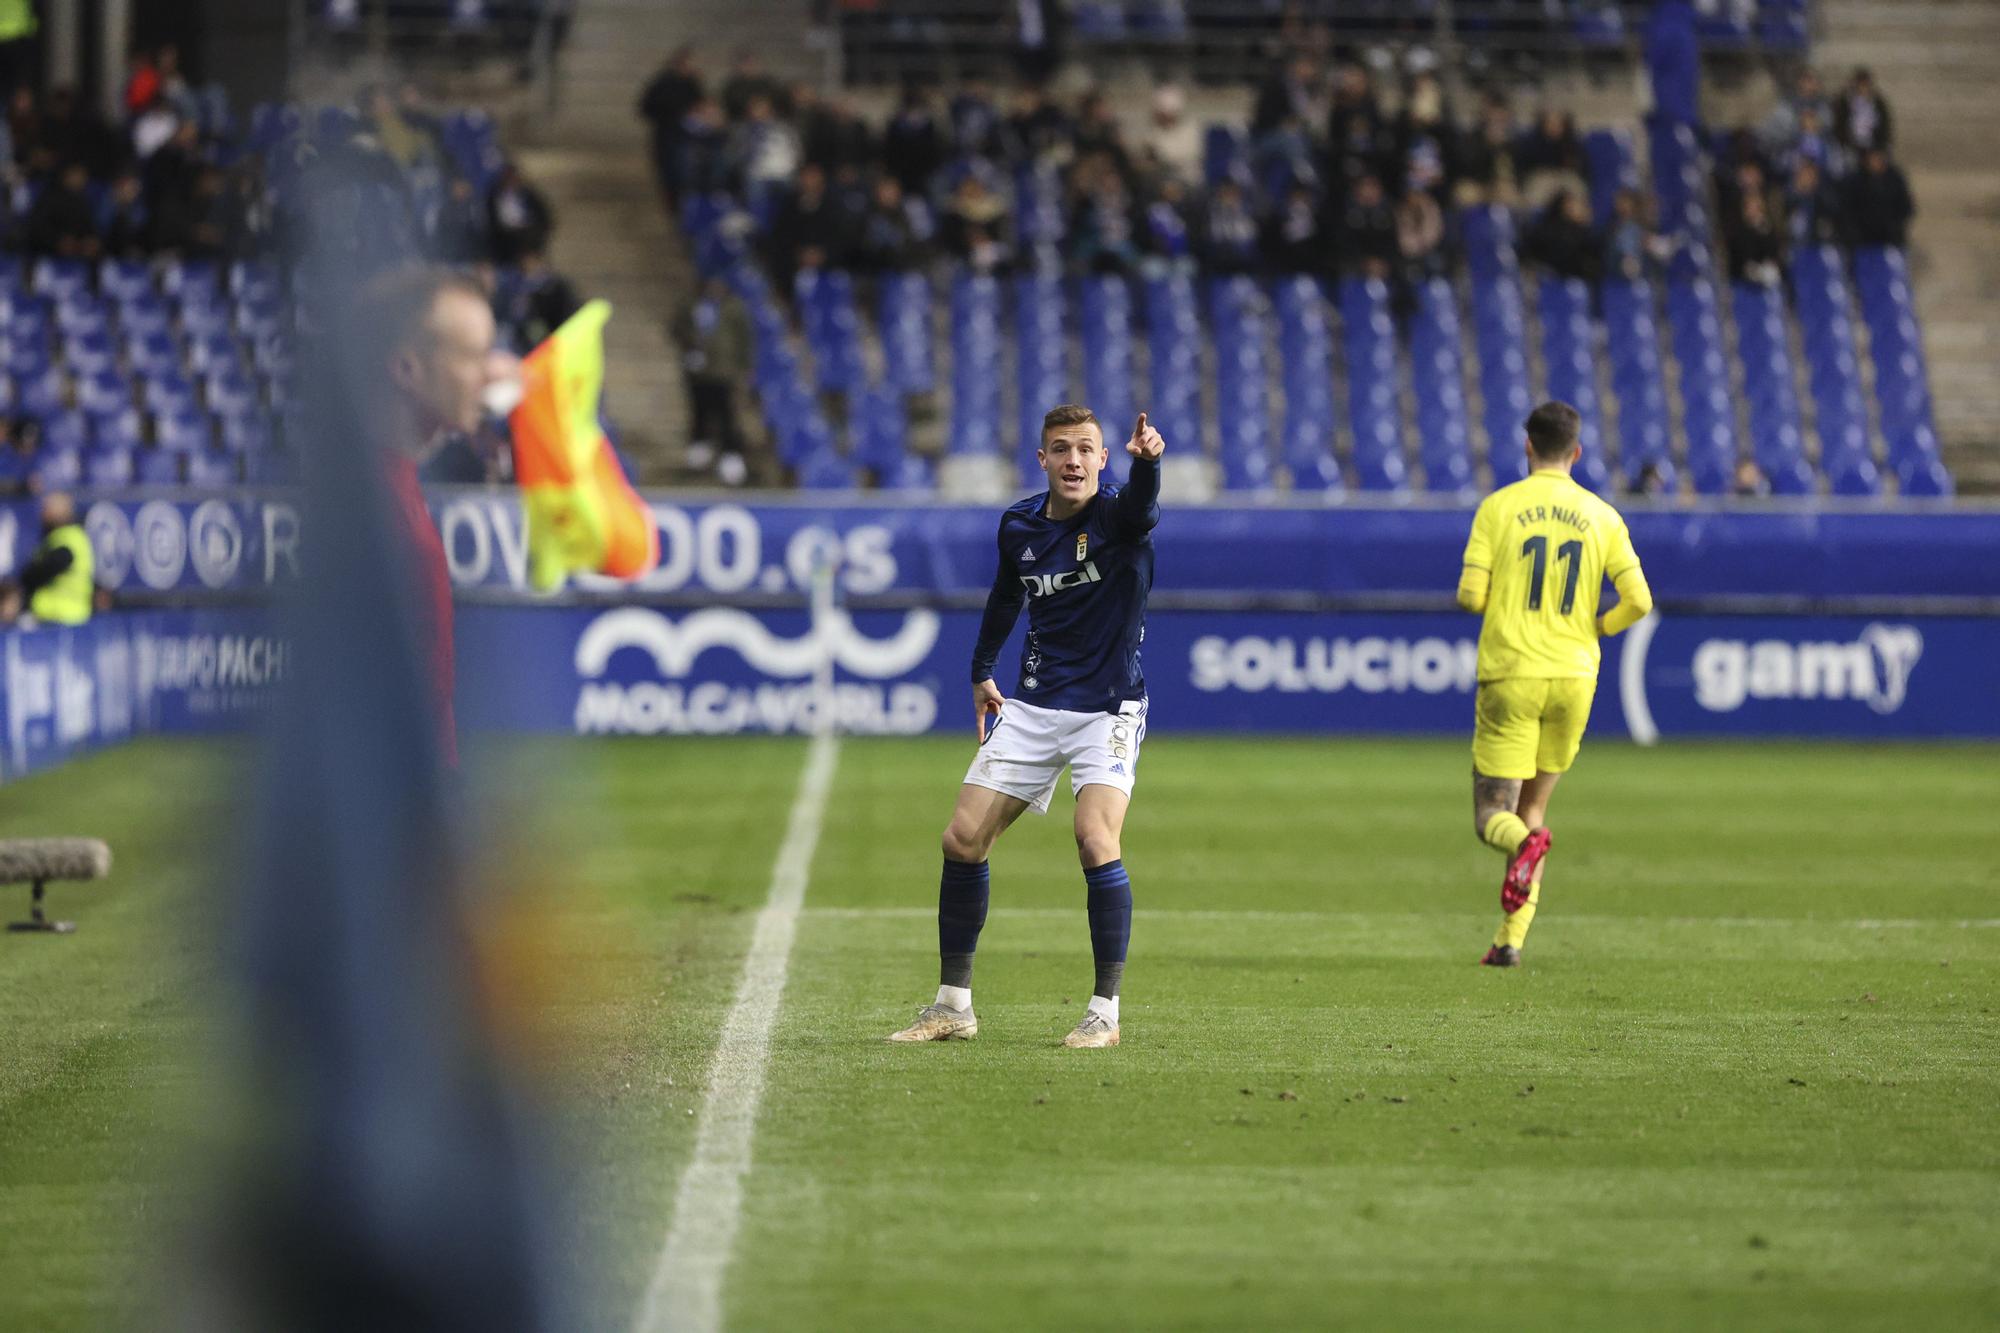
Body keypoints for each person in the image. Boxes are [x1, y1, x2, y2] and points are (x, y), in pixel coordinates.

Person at [888, 405, 1165, 1049]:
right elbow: (1006, 595)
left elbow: (1143, 511)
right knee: (961, 839)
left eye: (1086, 450)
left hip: (1109, 708)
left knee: (1095, 839)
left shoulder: (1119, 517)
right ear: (1042, 460)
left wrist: (1148, 464)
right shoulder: (1018, 525)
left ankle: (1104, 1012)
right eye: (1061, 449)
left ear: (1103, 459)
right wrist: (983, 669)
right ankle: (953, 1006)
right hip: (1034, 707)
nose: (1074, 460)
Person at [1455, 402, 1653, 967]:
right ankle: (1509, 941)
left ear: (1527, 447)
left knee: (1495, 815)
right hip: (1575, 675)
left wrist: (1508, 609)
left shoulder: (1498, 508)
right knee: (1534, 807)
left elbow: (1470, 596)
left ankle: (1521, 847)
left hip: (1512, 671)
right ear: (1577, 452)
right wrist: (1598, 626)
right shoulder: (1602, 515)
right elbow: (1639, 600)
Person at [358, 267, 512, 767]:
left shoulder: (386, 493)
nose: (493, 372)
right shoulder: (381, 523)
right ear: (406, 368)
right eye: (473, 355)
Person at [670, 276, 754, 484]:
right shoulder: (691, 304)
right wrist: (688, 344)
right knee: (699, 411)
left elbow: (745, 339)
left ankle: (731, 458)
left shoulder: (734, 308)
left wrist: (744, 367)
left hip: (723, 371)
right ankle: (698, 454)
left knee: (725, 414)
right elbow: (676, 328)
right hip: (697, 372)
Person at [18, 492, 93, 626]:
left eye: (46, 509)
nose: (42, 514)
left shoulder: (64, 537)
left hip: (55, 614)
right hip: (76, 614)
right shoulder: (78, 535)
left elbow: (58, 562)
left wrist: (27, 578)